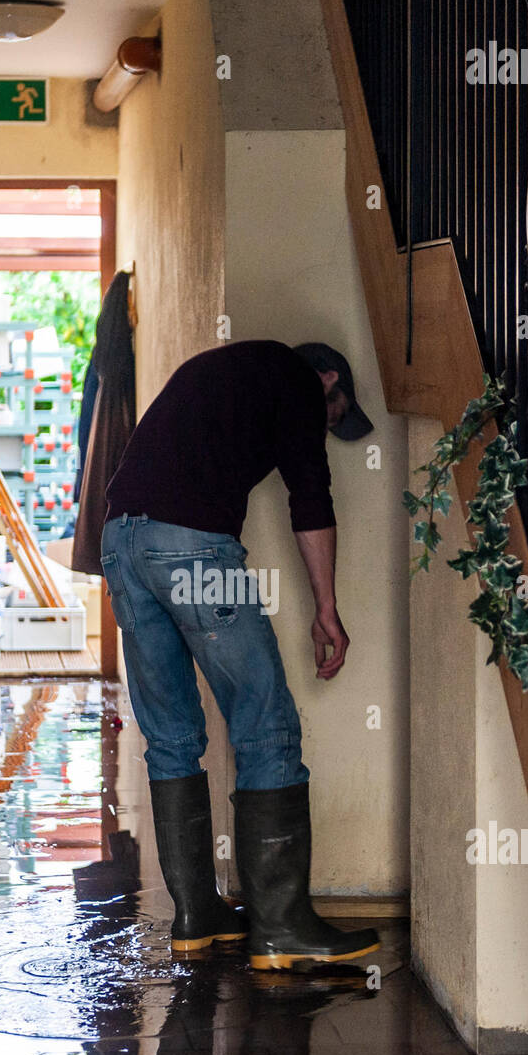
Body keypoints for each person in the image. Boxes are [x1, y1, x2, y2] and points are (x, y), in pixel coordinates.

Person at [101, 339, 380, 970]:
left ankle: (198, 919)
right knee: (266, 726)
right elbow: (310, 496)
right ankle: (282, 929)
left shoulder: (221, 370)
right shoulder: (298, 383)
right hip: (191, 548)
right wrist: (326, 609)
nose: (328, 423)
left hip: (120, 539)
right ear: (328, 379)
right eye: (335, 415)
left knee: (171, 737)